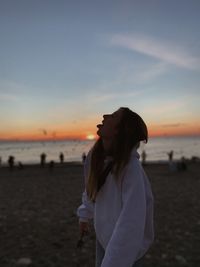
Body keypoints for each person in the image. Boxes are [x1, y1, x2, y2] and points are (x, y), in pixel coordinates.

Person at [77, 107, 154, 267]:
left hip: (128, 249)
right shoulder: (95, 156)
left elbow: (131, 223)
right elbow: (92, 190)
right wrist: (85, 214)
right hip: (103, 238)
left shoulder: (131, 169)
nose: (104, 115)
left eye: (113, 116)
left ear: (120, 130)